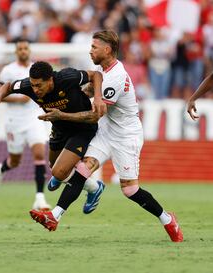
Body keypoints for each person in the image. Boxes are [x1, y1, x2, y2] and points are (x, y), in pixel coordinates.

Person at [30, 30, 183, 243]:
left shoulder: (116, 77)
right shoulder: (102, 70)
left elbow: (93, 116)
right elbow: (89, 90)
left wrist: (61, 113)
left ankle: (167, 219)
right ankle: (54, 216)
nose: (90, 50)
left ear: (107, 49)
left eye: (94, 47)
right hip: (106, 132)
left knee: (130, 190)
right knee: (83, 169)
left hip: (126, 136)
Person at [0, 60, 107, 222]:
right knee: (54, 166)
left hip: (82, 128)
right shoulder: (29, 85)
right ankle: (85, 182)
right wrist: (0, 96)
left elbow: (95, 75)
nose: (35, 90)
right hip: (59, 128)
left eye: (39, 86)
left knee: (58, 172)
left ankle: (94, 188)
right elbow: (8, 85)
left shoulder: (67, 77)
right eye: (33, 85)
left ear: (50, 80)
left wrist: (97, 98)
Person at [0, 40, 51, 211]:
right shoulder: (8, 71)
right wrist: (19, 98)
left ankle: (40, 198)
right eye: (20, 49)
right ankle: (1, 168)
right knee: (15, 161)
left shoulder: (36, 69)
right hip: (14, 121)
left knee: (39, 155)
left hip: (34, 118)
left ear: (29, 50)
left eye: (26, 48)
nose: (23, 51)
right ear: (16, 52)